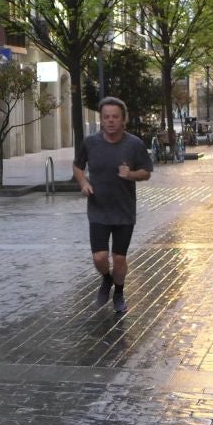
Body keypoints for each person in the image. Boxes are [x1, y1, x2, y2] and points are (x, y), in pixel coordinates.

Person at [73, 98, 153, 315]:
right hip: (98, 209)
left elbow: (146, 171)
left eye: (115, 117)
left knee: (119, 259)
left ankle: (118, 292)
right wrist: (84, 183)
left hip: (123, 211)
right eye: (106, 117)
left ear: (123, 120)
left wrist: (131, 175)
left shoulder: (134, 144)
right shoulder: (90, 143)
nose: (110, 121)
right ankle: (106, 279)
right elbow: (78, 166)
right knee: (99, 257)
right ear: (101, 119)